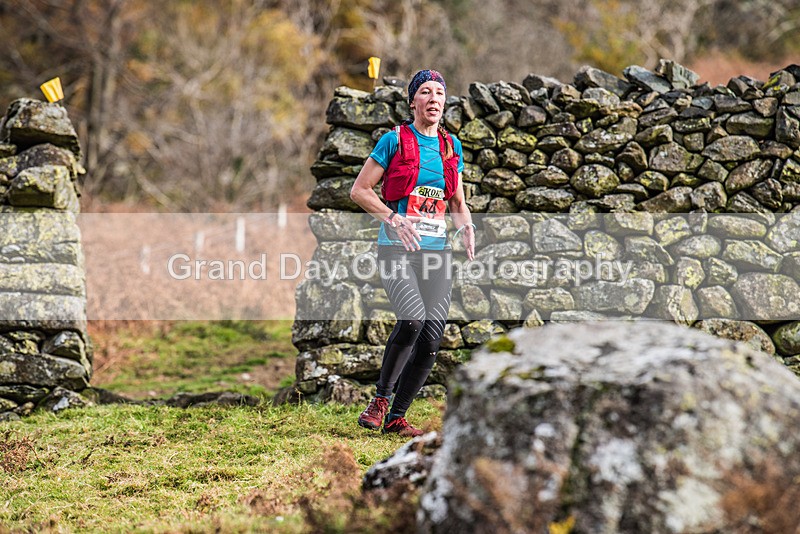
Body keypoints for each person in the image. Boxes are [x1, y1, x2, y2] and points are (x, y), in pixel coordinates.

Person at [350, 69, 475, 437]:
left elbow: (458, 202)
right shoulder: (394, 141)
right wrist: (392, 218)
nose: (434, 98)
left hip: (437, 254)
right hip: (397, 250)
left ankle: (397, 418)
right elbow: (360, 190)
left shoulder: (452, 147)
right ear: (413, 102)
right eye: (425, 92)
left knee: (432, 337)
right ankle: (380, 400)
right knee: (411, 320)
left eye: (439, 92)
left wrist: (467, 227)